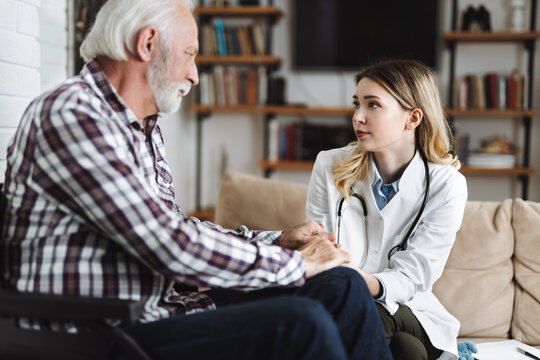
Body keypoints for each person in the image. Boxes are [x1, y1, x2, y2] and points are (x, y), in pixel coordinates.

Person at [0, 0, 392, 359]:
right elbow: (167, 243)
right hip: (97, 333)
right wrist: (294, 265)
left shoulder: (141, 127)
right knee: (300, 322)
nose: (195, 75)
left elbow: (176, 228)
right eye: (189, 55)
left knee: (342, 285)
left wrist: (280, 241)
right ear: (148, 43)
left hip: (160, 312)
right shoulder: (74, 115)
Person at [305, 59, 468, 360]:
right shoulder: (328, 166)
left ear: (413, 118)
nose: (358, 117)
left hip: (413, 312)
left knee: (372, 315)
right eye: (356, 104)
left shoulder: (447, 186)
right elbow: (319, 251)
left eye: (373, 105)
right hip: (346, 304)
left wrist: (356, 281)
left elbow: (414, 276)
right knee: (407, 352)